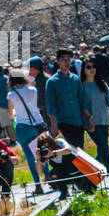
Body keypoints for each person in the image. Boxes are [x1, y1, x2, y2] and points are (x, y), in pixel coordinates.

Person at [46, 48, 86, 192]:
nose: (66, 62)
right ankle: (72, 183)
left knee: (79, 151)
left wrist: (88, 118)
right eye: (63, 60)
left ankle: (81, 181)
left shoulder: (75, 78)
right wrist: (53, 124)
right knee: (70, 152)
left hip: (78, 121)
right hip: (63, 122)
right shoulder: (52, 82)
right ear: (57, 62)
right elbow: (51, 105)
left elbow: (81, 100)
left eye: (68, 60)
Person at [8, 69, 45, 195]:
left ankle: (38, 184)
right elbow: (34, 107)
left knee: (30, 157)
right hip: (37, 124)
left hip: (22, 126)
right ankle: (49, 177)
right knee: (43, 152)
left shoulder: (12, 95)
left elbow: (11, 114)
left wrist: (15, 113)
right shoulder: (33, 90)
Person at [80, 58, 109, 176]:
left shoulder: (102, 83)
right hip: (91, 123)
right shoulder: (82, 86)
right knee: (104, 146)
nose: (92, 69)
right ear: (84, 70)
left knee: (101, 150)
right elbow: (82, 105)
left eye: (93, 66)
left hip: (104, 120)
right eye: (88, 67)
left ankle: (90, 171)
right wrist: (88, 120)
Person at [0, 64, 15, 143]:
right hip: (12, 102)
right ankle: (14, 138)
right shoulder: (7, 78)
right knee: (13, 121)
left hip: (1, 104)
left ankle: (13, 140)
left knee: (7, 124)